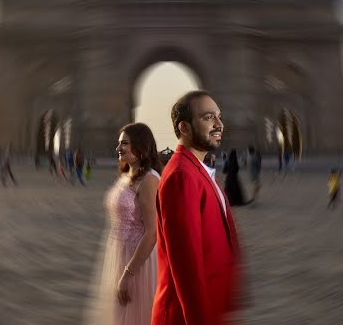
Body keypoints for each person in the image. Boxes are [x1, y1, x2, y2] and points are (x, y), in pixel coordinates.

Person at [152, 90, 242, 325]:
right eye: (208, 117)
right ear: (185, 128)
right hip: (185, 315)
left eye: (219, 116)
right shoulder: (181, 176)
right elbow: (186, 265)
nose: (219, 124)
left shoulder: (195, 169)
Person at [88, 123, 162, 324]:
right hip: (119, 254)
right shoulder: (127, 174)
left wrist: (128, 275)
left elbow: (152, 232)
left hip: (138, 262)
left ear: (141, 145)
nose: (118, 148)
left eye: (124, 143)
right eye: (118, 143)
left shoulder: (149, 180)